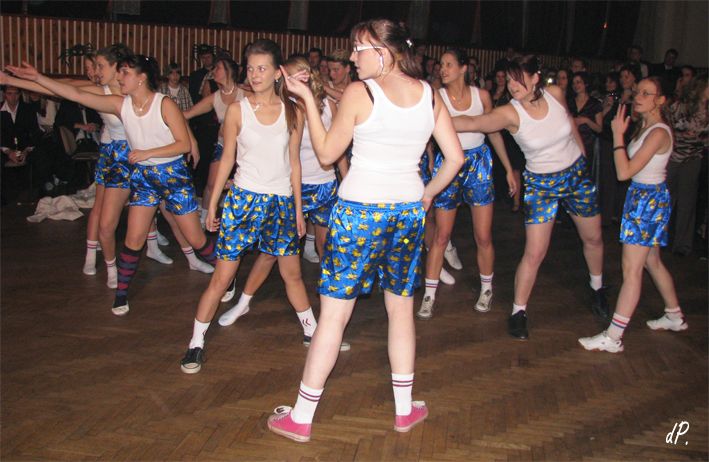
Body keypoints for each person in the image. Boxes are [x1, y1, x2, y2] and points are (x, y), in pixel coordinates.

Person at [266, 18, 464, 443]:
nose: (353, 58)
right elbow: (455, 158)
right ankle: (404, 410)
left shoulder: (361, 92)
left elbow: (325, 153)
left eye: (360, 49)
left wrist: (305, 98)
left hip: (360, 213)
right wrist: (426, 195)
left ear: (385, 52)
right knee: (400, 309)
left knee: (335, 314)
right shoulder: (429, 94)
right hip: (406, 213)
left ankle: (301, 417)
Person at [8, 55, 218, 315]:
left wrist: (147, 152)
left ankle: (225, 275)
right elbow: (74, 93)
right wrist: (36, 78)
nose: (119, 77)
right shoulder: (120, 105)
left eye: (125, 73)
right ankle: (121, 295)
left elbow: (183, 144)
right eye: (119, 72)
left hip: (173, 177)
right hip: (145, 179)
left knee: (197, 238)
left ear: (141, 78)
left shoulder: (164, 104)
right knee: (133, 239)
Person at [179, 39, 316, 374]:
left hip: (281, 202)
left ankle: (313, 331)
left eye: (262, 68)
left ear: (277, 72)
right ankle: (195, 342)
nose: (254, 75)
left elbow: (294, 163)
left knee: (292, 274)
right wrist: (213, 204)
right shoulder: (238, 110)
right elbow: (227, 159)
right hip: (243, 201)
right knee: (222, 277)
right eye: (251, 68)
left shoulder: (294, 111)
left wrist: (298, 210)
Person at [452, 55, 608, 340]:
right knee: (535, 252)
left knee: (594, 238)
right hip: (541, 185)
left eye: (518, 79)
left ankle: (597, 288)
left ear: (536, 78)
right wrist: (434, 120)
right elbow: (475, 121)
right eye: (509, 80)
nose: (512, 86)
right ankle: (518, 311)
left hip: (576, 176)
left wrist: (582, 153)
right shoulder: (510, 113)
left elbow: (569, 121)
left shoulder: (556, 93)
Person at [217, 56, 349, 338]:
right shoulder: (284, 108)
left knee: (327, 251)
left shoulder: (328, 105)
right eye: (288, 76)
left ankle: (327, 321)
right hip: (291, 187)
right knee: (269, 255)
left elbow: (337, 150)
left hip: (324, 185)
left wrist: (346, 180)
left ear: (308, 75)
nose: (293, 80)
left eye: (298, 75)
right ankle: (243, 303)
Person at [579, 77, 687, 352]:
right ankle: (674, 315)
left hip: (648, 202)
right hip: (643, 198)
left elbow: (624, 172)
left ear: (661, 100)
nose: (638, 97)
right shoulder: (646, 127)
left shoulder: (658, 133)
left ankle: (613, 337)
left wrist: (617, 135)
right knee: (652, 261)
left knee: (632, 269)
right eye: (638, 92)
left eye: (647, 93)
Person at [417, 48, 516, 320]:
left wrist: (508, 168)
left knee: (483, 236)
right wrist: (428, 158)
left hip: (479, 164)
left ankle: (487, 289)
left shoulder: (481, 96)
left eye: (449, 64)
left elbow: (493, 131)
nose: (442, 69)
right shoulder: (437, 97)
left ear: (464, 68)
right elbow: (426, 133)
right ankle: (429, 295)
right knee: (441, 235)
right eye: (441, 64)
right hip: (449, 163)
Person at [666, 75, 708, 256]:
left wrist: (698, 137)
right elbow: (668, 126)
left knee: (687, 203)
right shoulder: (681, 106)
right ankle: (658, 238)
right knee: (666, 199)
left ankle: (682, 245)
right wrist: (687, 135)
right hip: (673, 157)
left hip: (693, 159)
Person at [569, 72, 603, 165]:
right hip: (571, 142)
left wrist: (586, 120)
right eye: (573, 83)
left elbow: (599, 129)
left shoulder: (595, 103)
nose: (575, 85)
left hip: (588, 143)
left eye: (578, 82)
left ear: (586, 83)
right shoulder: (569, 102)